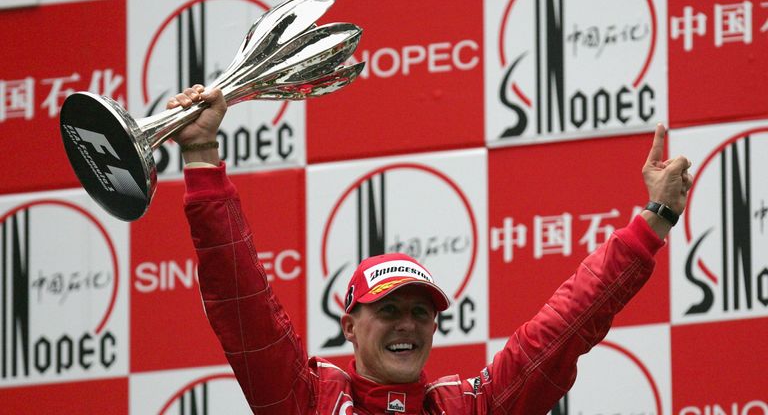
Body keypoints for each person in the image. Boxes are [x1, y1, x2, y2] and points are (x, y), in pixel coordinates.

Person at [169, 85, 692, 414]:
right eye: (389, 309)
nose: (408, 324)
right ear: (349, 325)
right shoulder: (308, 400)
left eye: (421, 311)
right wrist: (200, 155)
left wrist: (655, 221)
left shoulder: (472, 406)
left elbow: (565, 327)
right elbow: (242, 302)